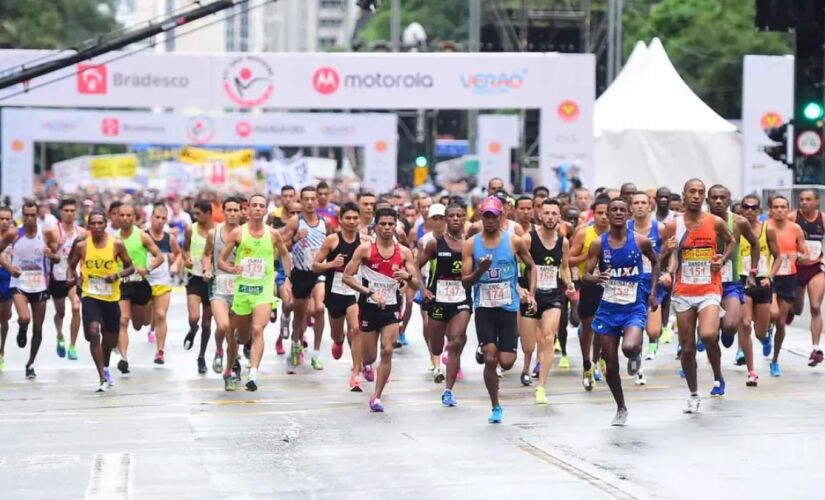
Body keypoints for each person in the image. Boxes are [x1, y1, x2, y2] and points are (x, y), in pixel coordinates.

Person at [659, 179, 734, 413]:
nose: (696, 196)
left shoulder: (715, 222)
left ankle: (718, 374)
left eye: (700, 192)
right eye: (692, 191)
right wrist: (668, 270)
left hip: (709, 288)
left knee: (709, 334)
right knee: (688, 346)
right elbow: (668, 257)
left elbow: (731, 241)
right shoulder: (673, 225)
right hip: (683, 291)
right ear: (683, 195)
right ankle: (693, 393)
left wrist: (721, 258)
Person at [584, 197, 659, 425]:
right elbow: (585, 275)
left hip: (633, 306)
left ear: (627, 215)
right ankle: (620, 407)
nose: (617, 213)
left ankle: (635, 353)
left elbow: (656, 263)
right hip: (608, 309)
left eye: (621, 210)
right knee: (610, 364)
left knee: (628, 348)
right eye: (613, 210)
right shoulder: (599, 244)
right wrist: (595, 277)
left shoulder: (640, 241)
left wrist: (653, 291)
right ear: (607, 214)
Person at [462, 196, 537, 424]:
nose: (490, 221)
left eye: (494, 216)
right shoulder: (471, 244)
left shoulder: (514, 241)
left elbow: (532, 267)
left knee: (506, 361)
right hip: (484, 307)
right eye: (486, 216)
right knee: (490, 357)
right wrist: (480, 270)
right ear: (480, 217)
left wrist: (531, 293)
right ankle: (495, 405)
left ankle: (495, 362)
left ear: (501, 216)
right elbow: (465, 282)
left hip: (507, 307)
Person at [343, 207, 420, 412]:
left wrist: (408, 278)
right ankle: (367, 365)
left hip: (392, 308)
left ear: (395, 226)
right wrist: (369, 293)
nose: (387, 228)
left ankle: (376, 397)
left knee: (387, 350)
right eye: (383, 224)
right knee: (369, 357)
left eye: (391, 224)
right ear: (375, 226)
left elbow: (415, 284)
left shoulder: (403, 252)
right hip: (368, 308)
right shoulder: (365, 249)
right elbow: (347, 277)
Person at [218, 194, 292, 392]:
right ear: (248, 209)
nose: (258, 209)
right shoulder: (238, 234)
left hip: (263, 291)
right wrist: (230, 269)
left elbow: (285, 255)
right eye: (254, 206)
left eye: (262, 206)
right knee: (241, 337)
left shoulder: (273, 234)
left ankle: (253, 374)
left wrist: (287, 279)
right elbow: (221, 261)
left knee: (258, 329)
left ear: (266, 209)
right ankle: (233, 363)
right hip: (242, 291)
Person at [67, 211, 135, 392]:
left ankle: (105, 365)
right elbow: (71, 265)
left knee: (110, 339)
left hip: (111, 297)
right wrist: (71, 278)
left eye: (100, 223)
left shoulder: (117, 244)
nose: (96, 227)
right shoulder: (82, 246)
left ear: (105, 224)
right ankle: (102, 377)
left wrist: (116, 275)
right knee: (93, 331)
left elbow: (130, 267)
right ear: (89, 226)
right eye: (93, 224)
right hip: (90, 295)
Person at [520, 199, 575, 404]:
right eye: (547, 213)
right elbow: (516, 266)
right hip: (531, 296)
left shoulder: (564, 242)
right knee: (528, 344)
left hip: (552, 295)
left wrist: (569, 283)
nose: (551, 217)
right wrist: (520, 289)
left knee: (548, 337)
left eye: (554, 213)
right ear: (540, 216)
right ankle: (526, 365)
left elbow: (565, 266)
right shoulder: (527, 239)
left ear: (559, 216)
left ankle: (541, 386)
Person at [416, 202, 472, 405]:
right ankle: (437, 357)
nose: (456, 219)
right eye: (452, 216)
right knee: (437, 346)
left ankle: (448, 390)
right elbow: (415, 266)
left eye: (460, 215)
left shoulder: (471, 243)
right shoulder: (435, 243)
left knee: (456, 340)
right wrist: (423, 290)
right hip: (438, 300)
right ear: (446, 219)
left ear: (465, 218)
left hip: (461, 299)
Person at [0, 201, 60, 379]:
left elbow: (57, 257)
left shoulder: (46, 232)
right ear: (22, 215)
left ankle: (30, 362)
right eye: (26, 215)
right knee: (25, 318)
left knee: (39, 329)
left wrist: (52, 255)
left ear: (38, 215)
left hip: (40, 285)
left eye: (33, 215)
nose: (29, 218)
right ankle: (22, 328)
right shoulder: (14, 233)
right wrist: (9, 267)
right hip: (19, 284)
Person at [312, 202, 363, 391]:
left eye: (355, 218)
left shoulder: (364, 241)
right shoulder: (332, 240)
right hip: (335, 292)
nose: (351, 222)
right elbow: (315, 265)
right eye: (347, 218)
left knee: (357, 328)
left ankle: (356, 373)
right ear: (340, 220)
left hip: (354, 292)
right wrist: (332, 263)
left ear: (359, 220)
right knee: (337, 331)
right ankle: (339, 340)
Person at [706, 185, 760, 357]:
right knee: (708, 333)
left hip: (731, 281)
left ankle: (724, 325)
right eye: (714, 198)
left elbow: (755, 244)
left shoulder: (739, 222)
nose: (719, 201)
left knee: (730, 326)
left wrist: (752, 271)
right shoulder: (699, 221)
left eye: (723, 198)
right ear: (707, 201)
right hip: (705, 283)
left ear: (729, 201)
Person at [737, 194, 781, 386]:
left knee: (759, 332)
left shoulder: (767, 230)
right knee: (745, 324)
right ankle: (751, 371)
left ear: (759, 211)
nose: (749, 211)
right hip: (742, 280)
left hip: (762, 282)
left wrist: (770, 276)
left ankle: (766, 334)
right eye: (746, 207)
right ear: (741, 209)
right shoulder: (736, 229)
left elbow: (779, 257)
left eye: (754, 208)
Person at [115, 204, 164, 374]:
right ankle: (124, 358)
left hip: (140, 283)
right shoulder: (113, 238)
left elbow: (160, 256)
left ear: (134, 217)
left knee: (140, 323)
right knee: (123, 320)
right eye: (122, 215)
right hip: (122, 284)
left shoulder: (142, 235)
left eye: (129, 215)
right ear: (117, 217)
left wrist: (148, 268)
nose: (125, 218)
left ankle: (148, 318)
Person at [284, 186, 329, 371]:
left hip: (318, 273)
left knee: (319, 309)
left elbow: (330, 245)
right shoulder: (296, 221)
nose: (310, 202)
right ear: (301, 201)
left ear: (317, 201)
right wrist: (295, 238)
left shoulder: (325, 222)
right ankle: (295, 344)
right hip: (300, 273)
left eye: (313, 199)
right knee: (299, 316)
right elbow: (283, 246)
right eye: (306, 199)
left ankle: (316, 354)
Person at [568, 197, 610, 390]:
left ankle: (598, 358)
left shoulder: (619, 234)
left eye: (606, 212)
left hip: (612, 288)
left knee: (605, 329)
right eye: (599, 213)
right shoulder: (584, 234)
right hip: (589, 285)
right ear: (593, 214)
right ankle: (586, 364)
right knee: (588, 328)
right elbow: (568, 260)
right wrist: (590, 254)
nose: (603, 216)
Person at [202, 196, 243, 387]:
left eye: (236, 210)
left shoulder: (247, 234)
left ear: (241, 212)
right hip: (219, 285)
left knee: (235, 337)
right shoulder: (214, 233)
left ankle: (228, 372)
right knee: (223, 326)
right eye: (229, 210)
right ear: (223, 212)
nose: (233, 214)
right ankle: (218, 349)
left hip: (241, 288)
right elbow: (206, 254)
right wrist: (206, 269)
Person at [767, 195, 808, 377]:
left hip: (788, 277)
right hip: (768, 276)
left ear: (788, 208)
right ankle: (765, 332)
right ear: (771, 209)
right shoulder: (765, 227)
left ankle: (775, 360)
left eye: (783, 207)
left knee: (781, 323)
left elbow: (805, 253)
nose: (780, 210)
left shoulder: (795, 228)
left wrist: (798, 257)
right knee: (773, 313)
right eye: (776, 207)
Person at [627, 192, 666, 379]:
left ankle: (646, 346)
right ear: (631, 208)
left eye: (644, 202)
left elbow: (673, 253)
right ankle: (636, 358)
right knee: (636, 327)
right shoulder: (624, 228)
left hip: (653, 283)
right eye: (636, 203)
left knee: (653, 330)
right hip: (631, 283)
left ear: (650, 207)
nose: (640, 205)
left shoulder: (660, 229)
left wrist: (669, 273)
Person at [789, 189, 825, 366]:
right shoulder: (792, 218)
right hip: (795, 268)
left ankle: (816, 348)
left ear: (817, 202)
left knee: (816, 307)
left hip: (815, 268)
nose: (804, 202)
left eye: (808, 200)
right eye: (801, 199)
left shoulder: (822, 219)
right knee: (796, 310)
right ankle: (789, 310)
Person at [47, 198, 85, 361]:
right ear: (61, 212)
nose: (69, 214)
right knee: (60, 313)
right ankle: (60, 335)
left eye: (72, 211)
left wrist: (83, 272)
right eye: (66, 211)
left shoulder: (82, 233)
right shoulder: (52, 231)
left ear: (76, 213)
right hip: (57, 276)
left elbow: (85, 255)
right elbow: (47, 252)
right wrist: (57, 246)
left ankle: (72, 346)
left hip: (73, 277)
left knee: (76, 306)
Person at [182, 200, 216, 374]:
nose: (195, 217)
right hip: (195, 278)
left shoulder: (217, 231)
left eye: (198, 213)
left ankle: (201, 356)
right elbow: (184, 248)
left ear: (208, 212)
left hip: (211, 281)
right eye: (194, 214)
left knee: (207, 323)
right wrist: (186, 258)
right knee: (194, 317)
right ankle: (192, 329)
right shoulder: (191, 229)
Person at [146, 203, 180, 365]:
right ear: (151, 217)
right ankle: (148, 328)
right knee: (141, 321)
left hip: (162, 281)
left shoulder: (169, 238)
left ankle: (160, 351)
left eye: (163, 218)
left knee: (160, 315)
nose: (159, 221)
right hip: (143, 282)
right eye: (157, 217)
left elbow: (179, 254)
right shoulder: (143, 236)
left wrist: (174, 263)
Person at [0, 207, 15, 371]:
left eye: (7, 219)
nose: (4, 221)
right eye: (1, 218)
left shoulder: (15, 235)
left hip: (8, 277)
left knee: (4, 318)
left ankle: (1, 350)